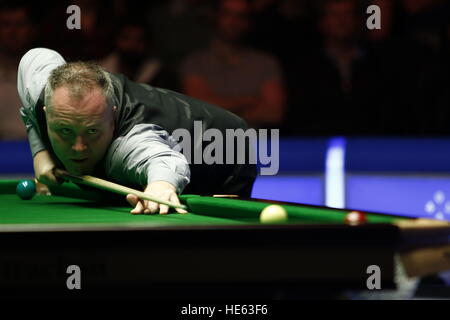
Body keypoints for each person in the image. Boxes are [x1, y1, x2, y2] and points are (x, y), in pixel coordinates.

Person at [17, 48, 256, 214]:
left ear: (112, 114)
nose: (78, 147)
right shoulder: (41, 87)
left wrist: (161, 185)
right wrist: (40, 150)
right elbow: (35, 57)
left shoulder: (127, 145)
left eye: (92, 132)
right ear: (47, 111)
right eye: (65, 131)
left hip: (226, 153)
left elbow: (162, 159)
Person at [180, 0, 286, 129]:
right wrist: (249, 100)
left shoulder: (266, 63)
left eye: (241, 16)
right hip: (208, 145)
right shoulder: (195, 62)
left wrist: (218, 109)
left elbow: (273, 113)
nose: (234, 22)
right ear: (215, 16)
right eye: (227, 14)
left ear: (249, 21)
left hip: (255, 145)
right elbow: (198, 110)